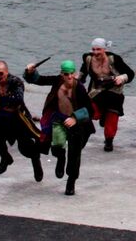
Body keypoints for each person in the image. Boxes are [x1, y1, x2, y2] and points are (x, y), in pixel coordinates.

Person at [25, 58, 96, 196]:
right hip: (59, 118)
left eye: (71, 74)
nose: (69, 77)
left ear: (75, 73)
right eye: (66, 74)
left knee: (75, 154)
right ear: (61, 74)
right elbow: (39, 80)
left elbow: (90, 109)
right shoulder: (57, 81)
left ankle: (71, 181)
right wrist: (30, 72)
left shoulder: (79, 87)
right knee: (56, 145)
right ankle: (60, 158)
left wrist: (75, 118)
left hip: (77, 123)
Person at [78, 38, 134, 152]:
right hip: (97, 90)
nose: (96, 52)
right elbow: (82, 74)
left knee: (112, 115)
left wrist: (122, 78)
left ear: (105, 49)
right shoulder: (88, 59)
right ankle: (78, 132)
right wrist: (76, 80)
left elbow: (130, 74)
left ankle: (109, 140)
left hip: (114, 91)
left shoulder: (114, 59)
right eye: (93, 49)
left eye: (98, 49)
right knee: (88, 111)